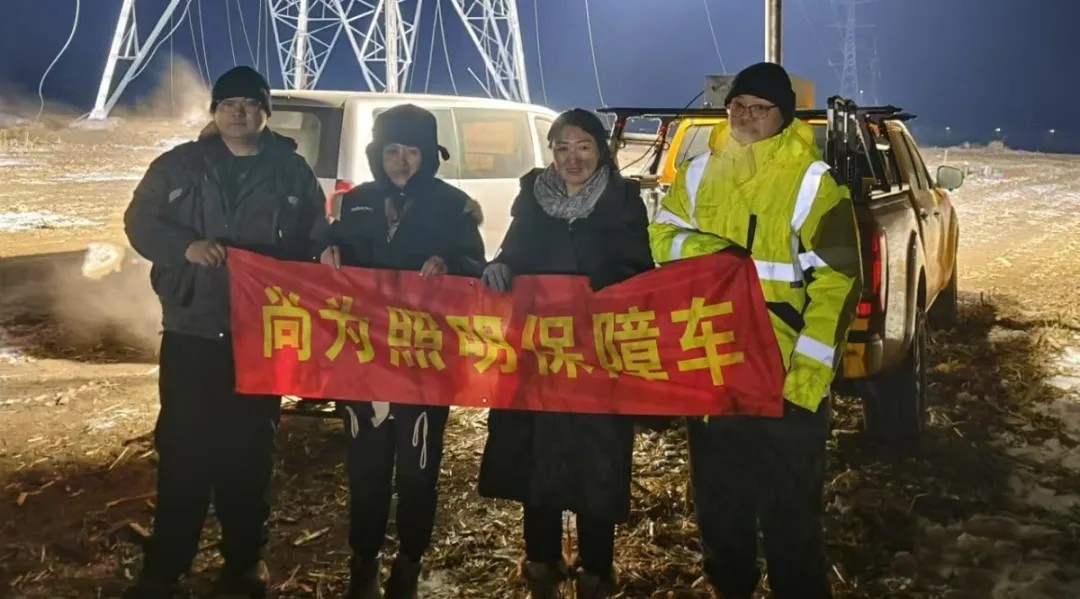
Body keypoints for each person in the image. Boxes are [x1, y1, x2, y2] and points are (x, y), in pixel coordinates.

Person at [648, 62, 863, 599]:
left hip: (784, 379)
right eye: (737, 106)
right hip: (715, 371)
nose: (745, 116)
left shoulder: (812, 182)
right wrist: (715, 252)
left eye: (759, 108)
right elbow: (662, 237)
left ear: (783, 116)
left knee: (792, 521)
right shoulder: (698, 171)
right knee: (721, 513)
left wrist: (805, 383)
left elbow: (837, 285)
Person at [122, 65, 327, 598]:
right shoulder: (178, 165)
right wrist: (184, 248)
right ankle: (167, 565)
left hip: (258, 335)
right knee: (183, 447)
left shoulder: (291, 172)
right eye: (229, 103)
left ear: (266, 113)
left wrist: (329, 250)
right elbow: (140, 222)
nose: (239, 112)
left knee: (249, 451)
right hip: (191, 327)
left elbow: (315, 234)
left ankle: (243, 563)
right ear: (215, 111)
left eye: (250, 104)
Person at [477, 108, 655, 599]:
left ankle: (596, 566)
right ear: (551, 152)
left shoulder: (623, 200)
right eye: (562, 148)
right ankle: (541, 561)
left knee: (598, 458)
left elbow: (641, 268)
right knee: (537, 455)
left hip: (599, 357)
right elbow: (513, 252)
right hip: (541, 356)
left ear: (601, 150)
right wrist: (499, 267)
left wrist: (610, 285)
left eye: (583, 147)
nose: (573, 157)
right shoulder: (533, 197)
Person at [317, 104, 485, 599]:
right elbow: (327, 255)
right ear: (378, 154)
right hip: (363, 362)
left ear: (429, 155)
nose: (402, 161)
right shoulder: (356, 203)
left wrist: (451, 263)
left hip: (424, 363)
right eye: (392, 151)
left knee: (418, 470)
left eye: (413, 151)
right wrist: (325, 253)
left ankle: (409, 561)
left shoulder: (454, 206)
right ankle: (363, 561)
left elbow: (477, 266)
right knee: (365, 470)